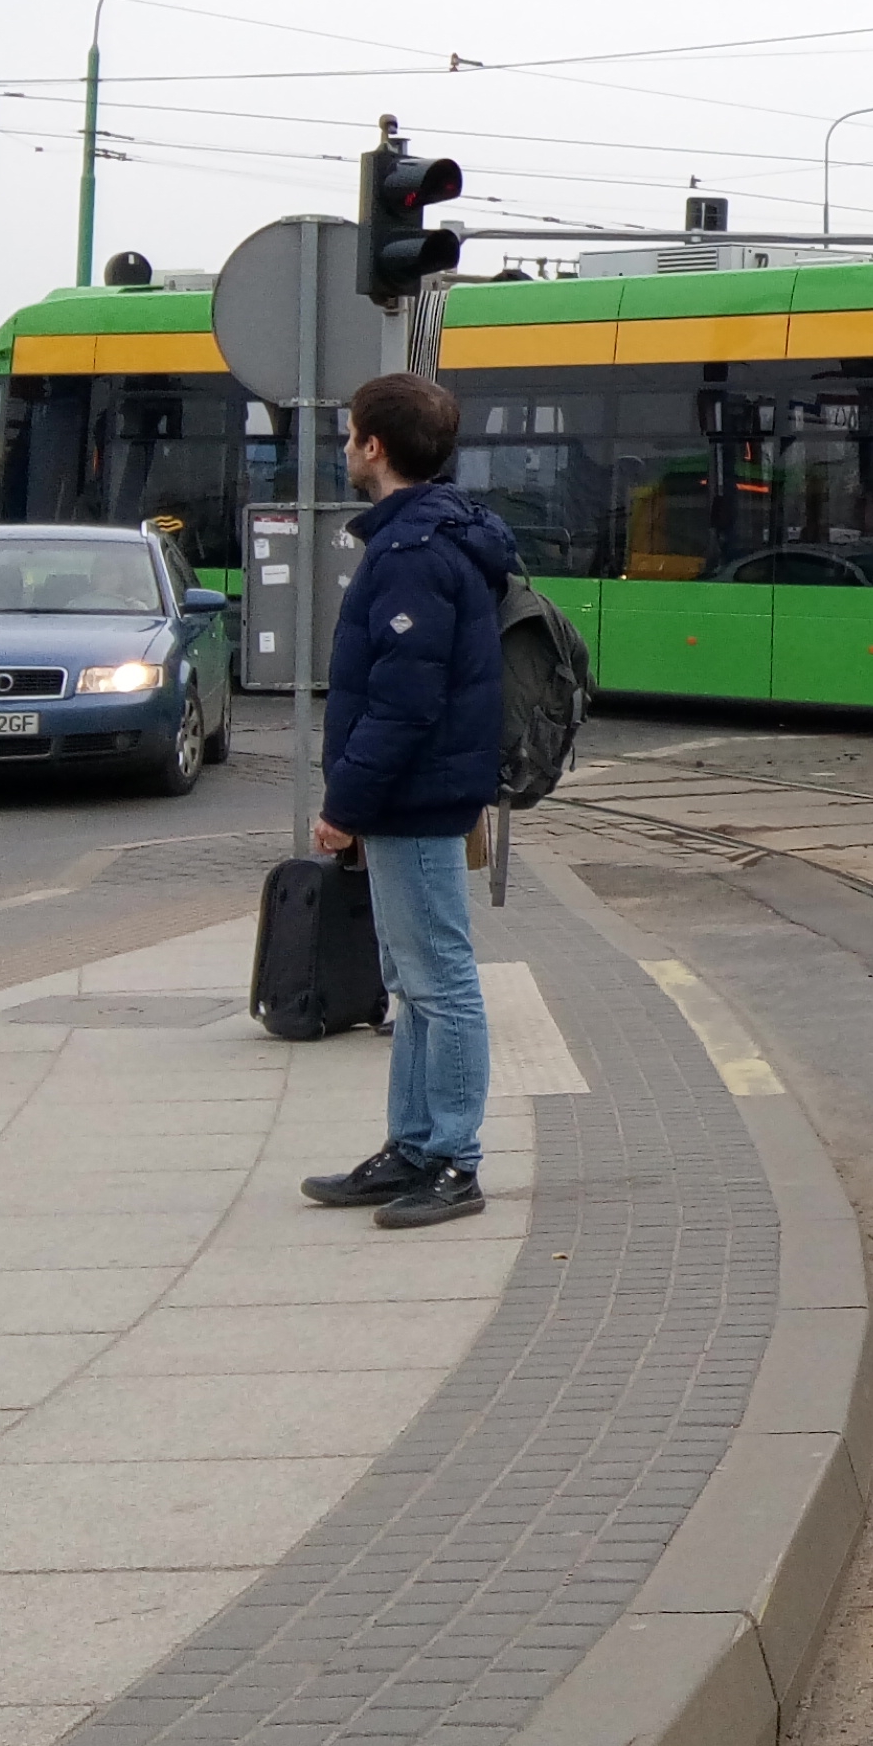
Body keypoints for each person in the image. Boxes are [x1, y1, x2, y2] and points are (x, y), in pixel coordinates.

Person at [295, 374, 519, 1229]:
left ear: (374, 446)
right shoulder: (429, 538)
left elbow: (404, 702)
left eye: (350, 434)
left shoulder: (413, 554)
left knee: (441, 982)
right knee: (414, 981)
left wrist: (344, 804)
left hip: (417, 796)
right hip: (417, 794)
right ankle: (413, 1147)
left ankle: (453, 1160)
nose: (345, 448)